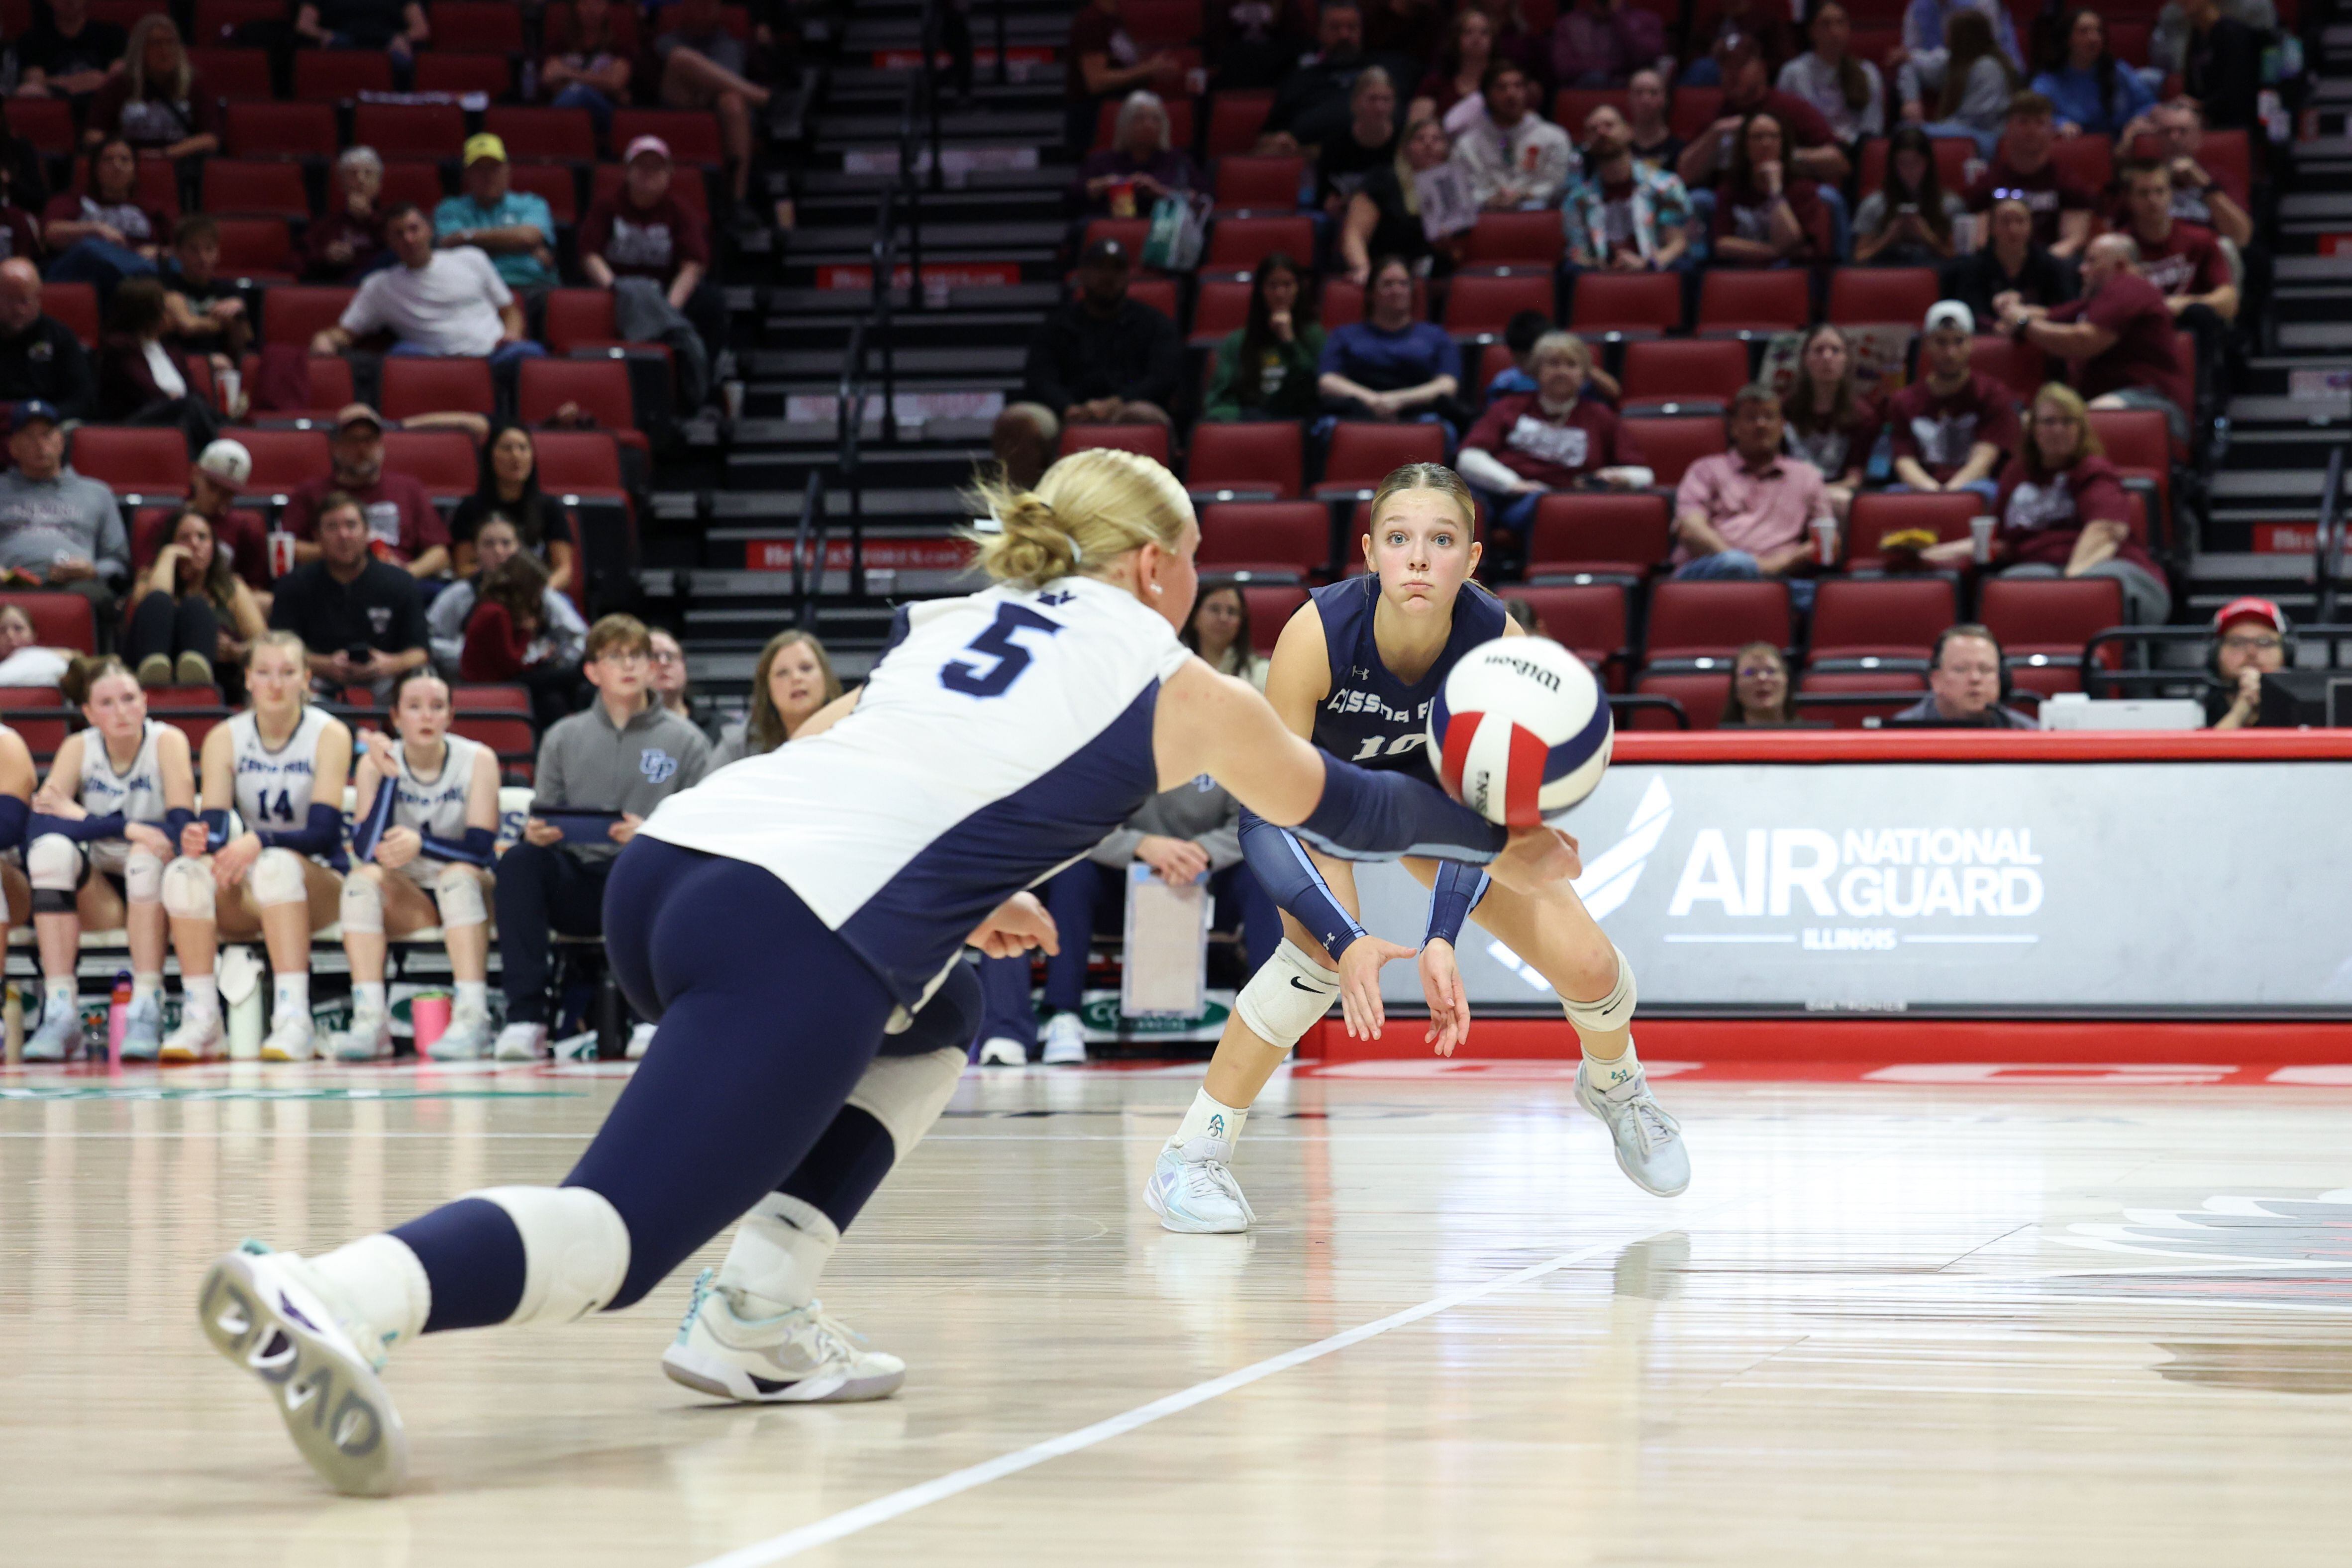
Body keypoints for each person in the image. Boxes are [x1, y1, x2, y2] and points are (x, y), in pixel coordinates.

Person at [196, 446, 1581, 1492]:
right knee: (609, 1243)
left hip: (673, 872)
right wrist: (1501, 839)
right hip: (791, 924)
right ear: (1157, 567)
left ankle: (759, 1311)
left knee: (950, 1005)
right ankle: (337, 1289)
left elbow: (844, 756)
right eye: (1195, 561)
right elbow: (1346, 804)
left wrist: (960, 902)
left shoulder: (948, 623)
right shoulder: (1178, 683)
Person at [1147, 460, 1685, 1234]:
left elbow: (1486, 808)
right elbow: (1262, 811)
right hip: (1318, 796)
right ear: (1368, 550)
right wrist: (1348, 937)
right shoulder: (1316, 632)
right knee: (1312, 966)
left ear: (1470, 558)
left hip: (1429, 804)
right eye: (1398, 538)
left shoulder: (1497, 639)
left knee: (1591, 964)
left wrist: (1441, 935)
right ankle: (1189, 1156)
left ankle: (1615, 1081)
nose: (1418, 557)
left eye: (1441, 539)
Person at [488, 614, 711, 1063]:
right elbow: (545, 810)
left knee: (659, 863)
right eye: (615, 656)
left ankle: (652, 1017)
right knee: (519, 861)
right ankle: (526, 1020)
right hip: (581, 878)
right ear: (592, 671)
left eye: (637, 656)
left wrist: (649, 833)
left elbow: (702, 823)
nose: (628, 666)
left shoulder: (687, 741)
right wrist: (538, 831)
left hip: (646, 880)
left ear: (651, 667)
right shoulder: (563, 736)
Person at [979, 764, 1281, 1068]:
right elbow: (1078, 824)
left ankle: (1270, 1024)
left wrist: (1200, 851)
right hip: (1117, 887)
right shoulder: (1111, 746)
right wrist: (1141, 846)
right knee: (1070, 873)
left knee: (1262, 872)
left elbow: (1256, 821)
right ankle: (1061, 1016)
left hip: (1209, 885)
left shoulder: (1227, 742)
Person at [154, 631, 350, 1063]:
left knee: (276, 865)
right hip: (256, 884)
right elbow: (220, 829)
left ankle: (293, 1018)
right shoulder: (225, 736)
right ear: (247, 679)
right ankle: (203, 1018)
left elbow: (323, 832)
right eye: (264, 672)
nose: (275, 684)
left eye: (287, 672)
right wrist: (198, 839)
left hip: (321, 883)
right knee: (183, 875)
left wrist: (261, 839)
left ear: (307, 679)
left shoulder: (329, 734)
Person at [20, 655, 193, 1062]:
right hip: (102, 897)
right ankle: (61, 1010)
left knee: (144, 856)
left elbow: (182, 830)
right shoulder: (78, 747)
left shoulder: (168, 742)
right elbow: (38, 828)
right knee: (51, 853)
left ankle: (146, 1006)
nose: (121, 711)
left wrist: (81, 818)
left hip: (155, 892)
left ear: (146, 702)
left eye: (130, 699)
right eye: (108, 703)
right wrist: (125, 826)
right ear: (88, 713)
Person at [327, 668, 503, 1062]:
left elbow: (480, 849)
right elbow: (367, 847)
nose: (426, 716)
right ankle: (371, 1019)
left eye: (437, 707)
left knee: (457, 878)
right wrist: (389, 779)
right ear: (395, 717)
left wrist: (423, 843)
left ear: (451, 715)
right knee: (360, 882)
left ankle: (473, 1016)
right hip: (412, 897)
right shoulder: (377, 763)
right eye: (415, 707)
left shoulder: (478, 759)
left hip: (471, 887)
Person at [992, 238, 1180, 490]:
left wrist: (1118, 402)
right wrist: (1067, 407)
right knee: (1019, 420)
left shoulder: (1153, 323)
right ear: (1082, 274)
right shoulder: (1057, 325)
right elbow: (1039, 378)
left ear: (1127, 275)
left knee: (1144, 416)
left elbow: (1162, 378)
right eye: (1100, 267)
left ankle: (1153, 517)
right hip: (1065, 413)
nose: (1108, 276)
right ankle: (1025, 517)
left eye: (1117, 268)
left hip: (1126, 409)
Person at [1983, 382, 2170, 622]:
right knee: (2014, 587)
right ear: (2033, 428)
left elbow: (2106, 530)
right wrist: (1938, 552)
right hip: (2037, 568)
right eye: (2050, 422)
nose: (2059, 430)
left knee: (2097, 588)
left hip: (2104, 564)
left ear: (2081, 429)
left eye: (2068, 422)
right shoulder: (2016, 473)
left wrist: (2070, 584)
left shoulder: (2094, 471)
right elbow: (1996, 539)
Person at [1998, 232, 2194, 446]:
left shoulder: (2131, 288)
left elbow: (2084, 341)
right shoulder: (2099, 300)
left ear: (2120, 267)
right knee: (2034, 425)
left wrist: (2023, 323)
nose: (2082, 269)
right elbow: (2046, 315)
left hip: (2153, 404)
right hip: (2115, 402)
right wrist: (2011, 308)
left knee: (2071, 425)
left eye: (2092, 261)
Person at [310, 205, 547, 377]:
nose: (409, 239)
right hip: (433, 367)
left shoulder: (472, 259)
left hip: (494, 357)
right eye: (399, 234)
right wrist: (326, 339)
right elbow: (347, 332)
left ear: (429, 231)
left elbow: (510, 311)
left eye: (414, 229)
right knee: (401, 355)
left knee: (530, 352)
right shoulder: (379, 286)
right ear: (390, 242)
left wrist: (512, 335)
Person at [1457, 331, 1645, 541]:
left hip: (1567, 504)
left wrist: (1618, 477)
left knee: (1548, 505)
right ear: (1537, 370)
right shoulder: (1508, 407)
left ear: (1584, 375)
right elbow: (1469, 457)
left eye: (1571, 365)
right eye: (1553, 364)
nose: (1562, 372)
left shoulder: (1600, 416)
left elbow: (1643, 474)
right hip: (1505, 496)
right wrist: (1512, 483)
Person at [578, 135, 720, 412]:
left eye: (656, 168)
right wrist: (615, 290)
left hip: (666, 294)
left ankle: (701, 389)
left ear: (669, 174)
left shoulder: (680, 211)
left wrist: (666, 310)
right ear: (628, 171)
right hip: (616, 292)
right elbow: (589, 255)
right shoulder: (607, 206)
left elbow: (693, 265)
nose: (648, 174)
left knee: (712, 304)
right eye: (641, 166)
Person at [1672, 384, 1833, 612]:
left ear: (1783, 426)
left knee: (1834, 601)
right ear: (1734, 428)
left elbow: (1827, 543)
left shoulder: (1807, 476)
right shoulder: (1706, 469)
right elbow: (1690, 529)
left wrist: (1777, 565)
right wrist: (1751, 566)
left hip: (1779, 578)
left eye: (1769, 417)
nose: (1761, 424)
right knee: (1737, 565)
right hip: (1710, 574)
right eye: (1751, 418)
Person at [266, 493, 431, 698]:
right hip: (314, 686)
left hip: (387, 686)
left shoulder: (401, 583)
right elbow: (278, 650)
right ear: (317, 536)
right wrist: (325, 665)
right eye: (332, 527)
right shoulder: (293, 586)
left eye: (351, 525)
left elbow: (420, 653)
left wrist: (388, 664)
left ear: (367, 532)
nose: (343, 535)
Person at [426, 516, 587, 727]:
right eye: (489, 544)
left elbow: (579, 635)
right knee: (573, 678)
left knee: (553, 701)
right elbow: (511, 662)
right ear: (475, 550)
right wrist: (530, 638)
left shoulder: (540, 596)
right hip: (486, 682)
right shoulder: (486, 608)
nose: (499, 552)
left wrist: (552, 654)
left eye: (506, 544)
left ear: (519, 548)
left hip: (512, 676)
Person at [0, 399, 129, 640]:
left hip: (76, 585)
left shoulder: (97, 493)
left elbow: (118, 561)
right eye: (29, 436)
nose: (40, 444)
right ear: (13, 446)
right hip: (10, 584)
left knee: (97, 597)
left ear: (61, 441)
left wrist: (92, 570)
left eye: (47, 435)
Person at [279, 405, 449, 580]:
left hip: (394, 582)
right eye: (353, 440)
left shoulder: (409, 489)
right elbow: (287, 548)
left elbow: (439, 553)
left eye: (369, 440)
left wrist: (408, 573)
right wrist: (341, 550)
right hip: (331, 583)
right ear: (335, 446)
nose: (361, 448)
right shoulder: (310, 492)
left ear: (381, 445)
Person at [1677, 38, 1853, 198]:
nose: (1732, 73)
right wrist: (1715, 134)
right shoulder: (1717, 115)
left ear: (1761, 69)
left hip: (1788, 198)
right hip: (1733, 204)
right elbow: (1683, 174)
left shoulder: (1790, 108)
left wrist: (1780, 155)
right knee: (1700, 199)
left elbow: (1839, 162)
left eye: (1740, 66)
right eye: (1726, 67)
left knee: (1828, 197)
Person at [1887, 302, 2018, 504]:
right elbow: (1904, 460)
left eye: (1959, 342)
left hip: (1974, 485)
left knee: (1989, 494)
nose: (1951, 353)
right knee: (1887, 498)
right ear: (1927, 344)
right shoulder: (1903, 401)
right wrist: (1934, 493)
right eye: (1941, 342)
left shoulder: (1992, 394)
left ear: (1971, 343)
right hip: (1922, 486)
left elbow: (1983, 460)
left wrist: (1950, 495)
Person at [1317, 255, 1462, 433]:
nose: (1397, 290)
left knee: (1445, 430)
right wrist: (1373, 400)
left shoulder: (1436, 336)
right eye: (1388, 284)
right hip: (1356, 415)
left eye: (1403, 284)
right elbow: (1327, 381)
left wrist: (1398, 400)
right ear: (1371, 293)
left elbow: (1448, 385)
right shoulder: (1344, 335)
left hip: (1420, 415)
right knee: (1326, 428)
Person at [124, 508, 265, 691]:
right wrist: (169, 556)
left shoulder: (231, 588)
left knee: (196, 606)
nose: (195, 544)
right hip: (147, 678)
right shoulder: (148, 579)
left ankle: (196, 676)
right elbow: (157, 598)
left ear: (214, 547)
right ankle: (155, 676)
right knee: (162, 602)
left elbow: (265, 642)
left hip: (217, 679)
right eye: (184, 538)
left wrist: (235, 651)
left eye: (202, 537)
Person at [653, 0, 772, 214]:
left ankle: (738, 200)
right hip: (677, 108)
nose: (704, 8)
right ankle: (762, 98)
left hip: (717, 111)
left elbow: (729, 86)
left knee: (733, 104)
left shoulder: (732, 45)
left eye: (710, 4)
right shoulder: (665, 42)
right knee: (681, 58)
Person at [2114, 158, 2238, 351]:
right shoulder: (2117, 248)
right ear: (2128, 198)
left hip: (2190, 326)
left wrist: (2186, 304)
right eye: (2143, 193)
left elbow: (2229, 301)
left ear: (2171, 194)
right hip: (2139, 334)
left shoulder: (2201, 239)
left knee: (2201, 316)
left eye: (2160, 191)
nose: (2153, 200)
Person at [130, 439, 272, 601]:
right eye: (212, 486)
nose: (217, 498)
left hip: (223, 604)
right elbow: (143, 578)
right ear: (195, 474)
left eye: (227, 493)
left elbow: (255, 586)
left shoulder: (245, 530)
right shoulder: (165, 523)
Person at [96, 276, 220, 453]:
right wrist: (177, 401)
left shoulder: (172, 350)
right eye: (164, 309)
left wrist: (178, 400)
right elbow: (147, 393)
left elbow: (194, 393)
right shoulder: (119, 349)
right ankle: (219, 449)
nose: (170, 314)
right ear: (146, 313)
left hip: (179, 422)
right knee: (190, 407)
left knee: (197, 408)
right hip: (135, 427)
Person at [1563, 105, 1693, 273]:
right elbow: (1578, 251)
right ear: (1586, 141)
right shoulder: (1577, 199)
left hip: (1654, 273)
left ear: (1629, 132)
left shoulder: (1666, 186)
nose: (1601, 132)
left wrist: (1648, 264)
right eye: (1593, 129)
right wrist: (1599, 266)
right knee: (1570, 271)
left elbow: (1677, 243)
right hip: (1601, 278)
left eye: (1609, 125)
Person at [1336, 115, 1465, 285]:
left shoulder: (1455, 187)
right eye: (1420, 139)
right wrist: (1362, 267)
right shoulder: (1383, 181)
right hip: (1385, 272)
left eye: (1437, 139)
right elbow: (1355, 234)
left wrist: (1446, 245)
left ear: (1447, 148)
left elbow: (1460, 252)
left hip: (1437, 277)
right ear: (1405, 148)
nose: (1429, 144)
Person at [1965, 94, 2094, 262]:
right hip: (1998, 264)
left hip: (2052, 265)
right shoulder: (1988, 182)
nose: (2031, 130)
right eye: (2024, 122)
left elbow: (2074, 240)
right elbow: (1980, 239)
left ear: (2052, 130)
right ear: (2008, 128)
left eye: (2040, 123)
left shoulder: (2069, 183)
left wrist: (2037, 264)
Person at [449, 425, 576, 595]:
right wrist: (501, 586)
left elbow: (564, 570)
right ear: (490, 456)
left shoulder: (550, 508)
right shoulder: (470, 508)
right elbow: (462, 568)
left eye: (523, 448)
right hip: (486, 593)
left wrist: (543, 593)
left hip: (539, 596)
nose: (516, 456)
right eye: (507, 449)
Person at [1203, 255, 1326, 423]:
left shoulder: (1314, 336)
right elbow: (1219, 400)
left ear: (1299, 289)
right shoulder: (1238, 340)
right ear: (1261, 290)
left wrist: (1289, 341)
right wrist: (1238, 419)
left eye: (1288, 285)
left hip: (1299, 422)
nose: (1280, 293)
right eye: (1272, 286)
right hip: (1249, 423)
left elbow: (1315, 386)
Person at [83, 14, 217, 166]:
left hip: (178, 166)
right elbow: (93, 135)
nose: (165, 50)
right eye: (157, 43)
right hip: (127, 166)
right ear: (140, 49)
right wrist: (125, 154)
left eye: (170, 42)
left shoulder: (193, 85)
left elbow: (210, 139)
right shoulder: (119, 85)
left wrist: (165, 154)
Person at [434, 135, 558, 295]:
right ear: (467, 174)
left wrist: (467, 237)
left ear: (508, 169)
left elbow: (528, 238)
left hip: (531, 288)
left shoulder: (532, 203)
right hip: (471, 290)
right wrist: (518, 245)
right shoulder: (449, 209)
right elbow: (448, 244)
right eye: (479, 168)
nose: (488, 175)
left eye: (494, 167)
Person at [1709, 111, 1834, 267]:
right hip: (1743, 276)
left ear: (1783, 144)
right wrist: (1774, 252)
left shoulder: (1803, 190)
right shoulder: (1731, 188)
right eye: (1758, 137)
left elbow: (1795, 244)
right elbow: (1722, 244)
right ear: (1745, 146)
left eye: (1774, 137)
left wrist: (1775, 191)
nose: (1766, 143)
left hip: (1791, 276)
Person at [42, 138, 166, 295]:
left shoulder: (150, 208)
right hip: (82, 275)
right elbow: (51, 234)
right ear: (96, 168)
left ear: (135, 169)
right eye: (108, 160)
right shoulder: (72, 201)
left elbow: (178, 246)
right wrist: (96, 229)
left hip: (134, 275)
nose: (117, 166)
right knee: (92, 247)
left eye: (125, 160)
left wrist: (159, 251)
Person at [1781, 324, 1878, 523]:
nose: (1827, 357)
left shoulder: (1863, 415)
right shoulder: (1783, 410)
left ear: (1847, 360)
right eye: (1818, 350)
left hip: (1838, 491)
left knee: (1840, 503)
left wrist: (1819, 494)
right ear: (1805, 360)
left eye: (1835, 350)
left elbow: (1855, 478)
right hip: (1788, 490)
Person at [1449, 62, 1574, 211]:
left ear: (1527, 92)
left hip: (1537, 220)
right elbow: (1462, 191)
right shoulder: (1467, 145)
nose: (1511, 94)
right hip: (1486, 220)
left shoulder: (1554, 138)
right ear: (1486, 95)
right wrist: (1490, 199)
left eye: (1518, 86)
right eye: (1501, 88)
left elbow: (1557, 185)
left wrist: (1524, 195)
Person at [1258, 0, 1376, 154]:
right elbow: (1266, 139)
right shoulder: (1299, 79)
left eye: (1352, 28)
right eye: (1335, 28)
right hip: (1310, 161)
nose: (1344, 35)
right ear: (1320, 32)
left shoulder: (1382, 72)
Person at [1067, 0, 1186, 153]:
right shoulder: (1092, 21)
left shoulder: (1114, 18)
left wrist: (1154, 69)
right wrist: (1148, 69)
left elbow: (1124, 64)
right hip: (1094, 120)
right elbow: (1096, 81)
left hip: (1117, 115)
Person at [709, 629, 840, 768]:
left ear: (826, 677)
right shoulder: (739, 747)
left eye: (806, 668)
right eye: (782, 673)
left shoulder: (855, 733)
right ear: (767, 689)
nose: (796, 678)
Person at [1900, 8, 2019, 154]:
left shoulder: (1988, 68)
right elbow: (1911, 67)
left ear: (1964, 37)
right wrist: (1911, 99)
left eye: (1950, 33)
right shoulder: (1954, 62)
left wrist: (1929, 129)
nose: (1946, 38)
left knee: (1912, 135)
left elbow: (1973, 122)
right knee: (1905, 134)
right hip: (1959, 131)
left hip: (1986, 139)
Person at [1942, 192, 2075, 321]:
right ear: (1992, 228)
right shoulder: (1973, 267)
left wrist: (2038, 314)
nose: (2013, 229)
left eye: (2020, 221)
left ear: (2031, 226)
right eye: (2005, 222)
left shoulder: (2050, 265)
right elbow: (1970, 312)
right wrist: (1995, 326)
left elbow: (2067, 309)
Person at [2143, 98, 2253, 249]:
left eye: (2183, 131)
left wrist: (2206, 185)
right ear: (2156, 138)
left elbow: (2241, 237)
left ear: (2198, 138)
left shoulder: (2219, 178)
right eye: (2167, 132)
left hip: (2209, 253)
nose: (2174, 138)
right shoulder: (2143, 179)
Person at [2032, 8, 2158, 140]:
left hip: (2121, 147)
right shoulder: (2049, 80)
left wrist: (2137, 121)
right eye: (2084, 32)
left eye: (2098, 31)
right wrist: (2059, 123)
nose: (2094, 38)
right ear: (2067, 39)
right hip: (2076, 149)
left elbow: (2148, 104)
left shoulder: (2118, 71)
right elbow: (2033, 113)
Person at [1852, 123, 1966, 266]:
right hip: (1888, 276)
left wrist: (1928, 238)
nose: (1910, 170)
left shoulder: (1950, 204)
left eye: (1916, 163)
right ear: (1893, 165)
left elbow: (1961, 262)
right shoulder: (1873, 205)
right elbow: (1858, 259)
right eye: (1903, 163)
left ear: (1928, 163)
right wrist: (1888, 239)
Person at [1075, 91, 1199, 219]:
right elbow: (1073, 198)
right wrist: (1106, 184)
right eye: (1139, 119)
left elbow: (1202, 199)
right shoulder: (1100, 161)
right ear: (1124, 125)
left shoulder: (1178, 161)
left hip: (1166, 232)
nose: (1148, 125)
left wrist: (1160, 191)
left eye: (1155, 119)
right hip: (1112, 229)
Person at [1779, 1, 1886, 145]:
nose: (1834, 32)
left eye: (1840, 23)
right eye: (1825, 24)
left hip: (1857, 150)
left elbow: (1873, 126)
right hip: (1812, 150)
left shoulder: (1867, 71)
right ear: (1811, 31)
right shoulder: (1793, 73)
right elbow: (1784, 125)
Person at [0, 260, 93, 419]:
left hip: (48, 425)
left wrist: (44, 420)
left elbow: (82, 401)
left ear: (38, 298)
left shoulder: (60, 338)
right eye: (9, 300)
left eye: (24, 300)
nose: (18, 309)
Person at [1892, 624, 2035, 726]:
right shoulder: (1903, 731)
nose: (1975, 678)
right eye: (1961, 669)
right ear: (1936, 680)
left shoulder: (2026, 732)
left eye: (1986, 669)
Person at [160, 216, 254, 368]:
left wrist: (239, 317)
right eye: (194, 250)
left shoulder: (230, 290)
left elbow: (242, 343)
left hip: (221, 365)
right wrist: (223, 322)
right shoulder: (165, 286)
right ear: (177, 252)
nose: (203, 258)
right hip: (176, 363)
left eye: (209, 249)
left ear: (218, 253)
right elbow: (187, 327)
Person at [1316, 69, 1400, 217]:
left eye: (1386, 99)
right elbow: (1322, 197)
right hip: (1346, 220)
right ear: (1355, 102)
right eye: (1372, 99)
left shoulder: (1404, 141)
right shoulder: (1335, 144)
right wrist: (1329, 203)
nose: (1379, 107)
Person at [541, 0, 631, 135]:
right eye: (585, 4)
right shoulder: (560, 44)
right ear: (575, 7)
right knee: (574, 93)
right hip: (567, 110)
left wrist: (567, 75)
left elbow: (615, 83)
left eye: (597, 4)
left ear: (607, 8)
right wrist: (601, 81)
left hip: (607, 114)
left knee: (577, 92)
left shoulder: (619, 46)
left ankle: (551, 134)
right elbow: (548, 77)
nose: (591, 10)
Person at [10, 0, 129, 102]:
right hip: (55, 102)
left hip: (101, 102)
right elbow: (35, 81)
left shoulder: (113, 34)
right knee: (29, 91)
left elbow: (118, 75)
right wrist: (75, 82)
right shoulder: (32, 40)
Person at [305, 147, 390, 284]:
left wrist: (369, 218)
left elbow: (400, 255)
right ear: (341, 184)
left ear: (379, 184)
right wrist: (326, 257)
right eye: (353, 174)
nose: (361, 180)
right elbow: (300, 260)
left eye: (368, 174)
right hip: (336, 288)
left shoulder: (391, 222)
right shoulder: (326, 224)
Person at [2204, 596, 2288, 730]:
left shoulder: (2308, 710)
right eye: (2237, 643)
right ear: (2215, 654)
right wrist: (2240, 712)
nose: (2251, 652)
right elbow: (2206, 751)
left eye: (2264, 642)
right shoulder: (2195, 711)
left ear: (2286, 654)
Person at [2179, 0, 2261, 132]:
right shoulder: (2196, 36)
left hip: (2235, 126)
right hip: (2206, 122)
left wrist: (2201, 106)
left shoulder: (2233, 34)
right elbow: (2191, 89)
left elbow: (2238, 93)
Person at [1901, 0, 2023, 84]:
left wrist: (1915, 58)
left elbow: (1979, 52)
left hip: (1988, 70)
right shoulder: (1918, 6)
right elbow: (1910, 51)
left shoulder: (1983, 3)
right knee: (1906, 70)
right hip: (1945, 69)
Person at [1410, 6, 1497, 122]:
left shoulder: (1504, 84)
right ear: (1456, 39)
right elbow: (1416, 128)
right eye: (1468, 32)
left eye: (1484, 33)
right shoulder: (1435, 84)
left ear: (1493, 40)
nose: (1477, 38)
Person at [1206, 0, 1313, 92]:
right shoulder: (1228, 4)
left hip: (1277, 67)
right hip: (1236, 67)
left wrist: (1271, 24)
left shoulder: (1287, 7)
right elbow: (1217, 42)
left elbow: (1298, 40)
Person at [296, 0, 430, 70]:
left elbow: (421, 28)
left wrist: (403, 38)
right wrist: (324, 35)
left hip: (386, 44)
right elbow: (304, 25)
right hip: (341, 43)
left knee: (401, 60)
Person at [1182, 581, 1268, 688]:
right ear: (1194, 617)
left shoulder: (1261, 673)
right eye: (1215, 609)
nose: (1223, 618)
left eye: (1232, 612)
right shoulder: (1173, 668)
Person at [1550, 0, 1645, 88]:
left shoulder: (1640, 20)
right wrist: (1611, 66)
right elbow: (1563, 67)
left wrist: (1619, 15)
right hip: (1584, 84)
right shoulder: (1569, 23)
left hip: (1625, 82)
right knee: (1596, 78)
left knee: (1644, 81)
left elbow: (1642, 58)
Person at [1719, 640, 1803, 725]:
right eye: (1750, 673)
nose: (1762, 678)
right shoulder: (1721, 738)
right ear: (1735, 687)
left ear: (1787, 681)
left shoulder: (1810, 736)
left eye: (1771, 671)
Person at [0, 601, 75, 686]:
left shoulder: (56, 657)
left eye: (18, 628)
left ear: (34, 634)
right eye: (2, 630)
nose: (10, 635)